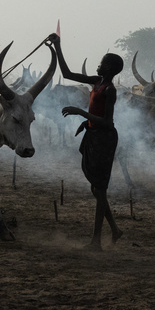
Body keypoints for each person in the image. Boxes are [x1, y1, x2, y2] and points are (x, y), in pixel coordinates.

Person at [46, 33, 123, 250]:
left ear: (108, 68)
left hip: (104, 139)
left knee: (99, 190)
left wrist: (82, 114)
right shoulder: (97, 82)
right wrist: (58, 47)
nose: (98, 65)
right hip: (94, 135)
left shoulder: (110, 90)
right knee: (96, 190)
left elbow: (108, 122)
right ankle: (115, 231)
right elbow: (67, 73)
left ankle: (96, 241)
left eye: (101, 63)